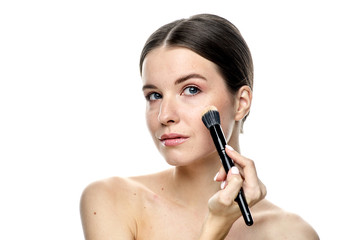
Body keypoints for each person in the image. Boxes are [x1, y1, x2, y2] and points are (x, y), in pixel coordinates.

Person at [80, 13, 319, 239]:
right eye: (154, 95)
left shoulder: (290, 233)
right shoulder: (112, 199)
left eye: (191, 89)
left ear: (241, 103)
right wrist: (214, 228)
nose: (165, 115)